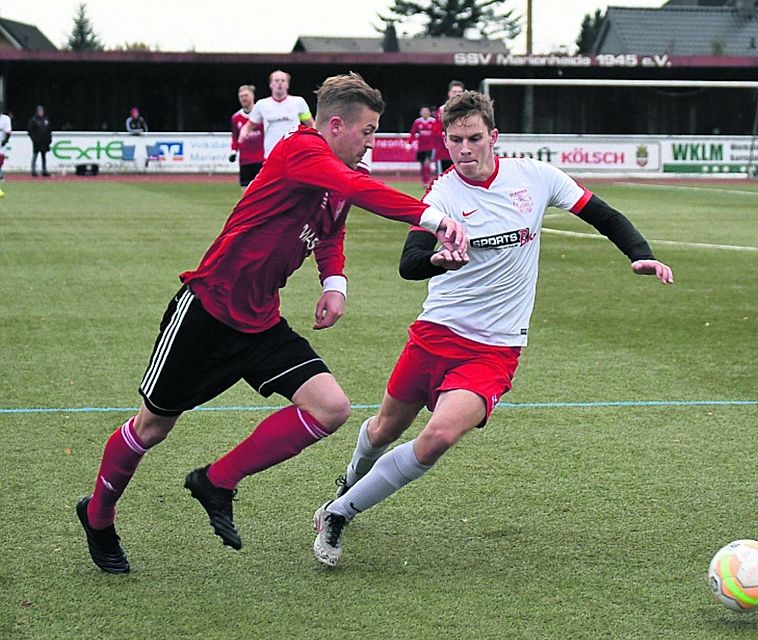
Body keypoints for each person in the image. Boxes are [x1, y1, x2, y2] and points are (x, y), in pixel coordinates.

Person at [75, 72, 467, 574]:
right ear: (336, 125)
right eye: (367, 130)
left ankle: (217, 481)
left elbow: (331, 229)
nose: (372, 140)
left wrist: (334, 283)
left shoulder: (343, 170)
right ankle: (99, 515)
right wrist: (432, 219)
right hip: (207, 311)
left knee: (331, 408)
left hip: (261, 321)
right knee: (151, 429)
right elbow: (352, 187)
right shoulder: (300, 150)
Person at [312, 90, 674, 568]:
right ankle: (351, 481)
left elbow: (602, 215)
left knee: (438, 437)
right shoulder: (442, 193)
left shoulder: (536, 178)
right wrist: (439, 259)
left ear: (494, 137)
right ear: (445, 141)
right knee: (381, 431)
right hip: (435, 334)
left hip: (494, 349)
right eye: (456, 140)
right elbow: (410, 263)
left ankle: (339, 513)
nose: (465, 150)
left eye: (474, 138)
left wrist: (640, 252)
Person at [239, 70, 314, 159]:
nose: (280, 83)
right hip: (271, 155)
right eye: (276, 80)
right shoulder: (262, 104)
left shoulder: (298, 102)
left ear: (287, 85)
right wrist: (243, 133)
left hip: (293, 154)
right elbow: (249, 126)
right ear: (271, 85)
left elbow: (311, 124)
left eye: (283, 80)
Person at [230, 84, 265, 189]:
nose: (243, 98)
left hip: (261, 159)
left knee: (262, 191)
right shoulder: (236, 118)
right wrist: (233, 151)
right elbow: (235, 138)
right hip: (245, 160)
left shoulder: (262, 115)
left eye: (246, 95)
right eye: (241, 96)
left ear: (252, 96)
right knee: (245, 192)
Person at [433, 80, 465, 174]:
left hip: (463, 151)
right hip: (445, 152)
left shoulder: (469, 110)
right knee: (444, 179)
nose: (457, 94)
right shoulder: (442, 110)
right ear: (449, 93)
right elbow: (436, 130)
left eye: (459, 92)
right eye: (454, 92)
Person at [408, 105, 439, 186]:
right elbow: (413, 132)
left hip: (430, 146)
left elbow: (437, 134)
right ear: (420, 113)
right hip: (421, 147)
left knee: (427, 163)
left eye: (426, 111)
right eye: (423, 111)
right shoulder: (417, 122)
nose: (424, 113)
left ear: (429, 113)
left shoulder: (433, 121)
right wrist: (410, 143)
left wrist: (436, 144)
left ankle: (427, 180)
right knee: (422, 165)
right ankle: (423, 180)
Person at [27, 105, 52, 177]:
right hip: (37, 141)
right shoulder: (33, 120)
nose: (41, 112)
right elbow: (30, 131)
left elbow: (49, 130)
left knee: (44, 156)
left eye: (42, 111)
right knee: (35, 155)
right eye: (39, 111)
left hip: (44, 141)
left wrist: (49, 139)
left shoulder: (46, 119)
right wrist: (33, 139)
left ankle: (44, 170)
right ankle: (33, 170)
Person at [0, 109, 11, 197]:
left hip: (0, 146)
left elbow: (8, 132)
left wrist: (5, 140)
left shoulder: (5, 119)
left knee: (0, 161)